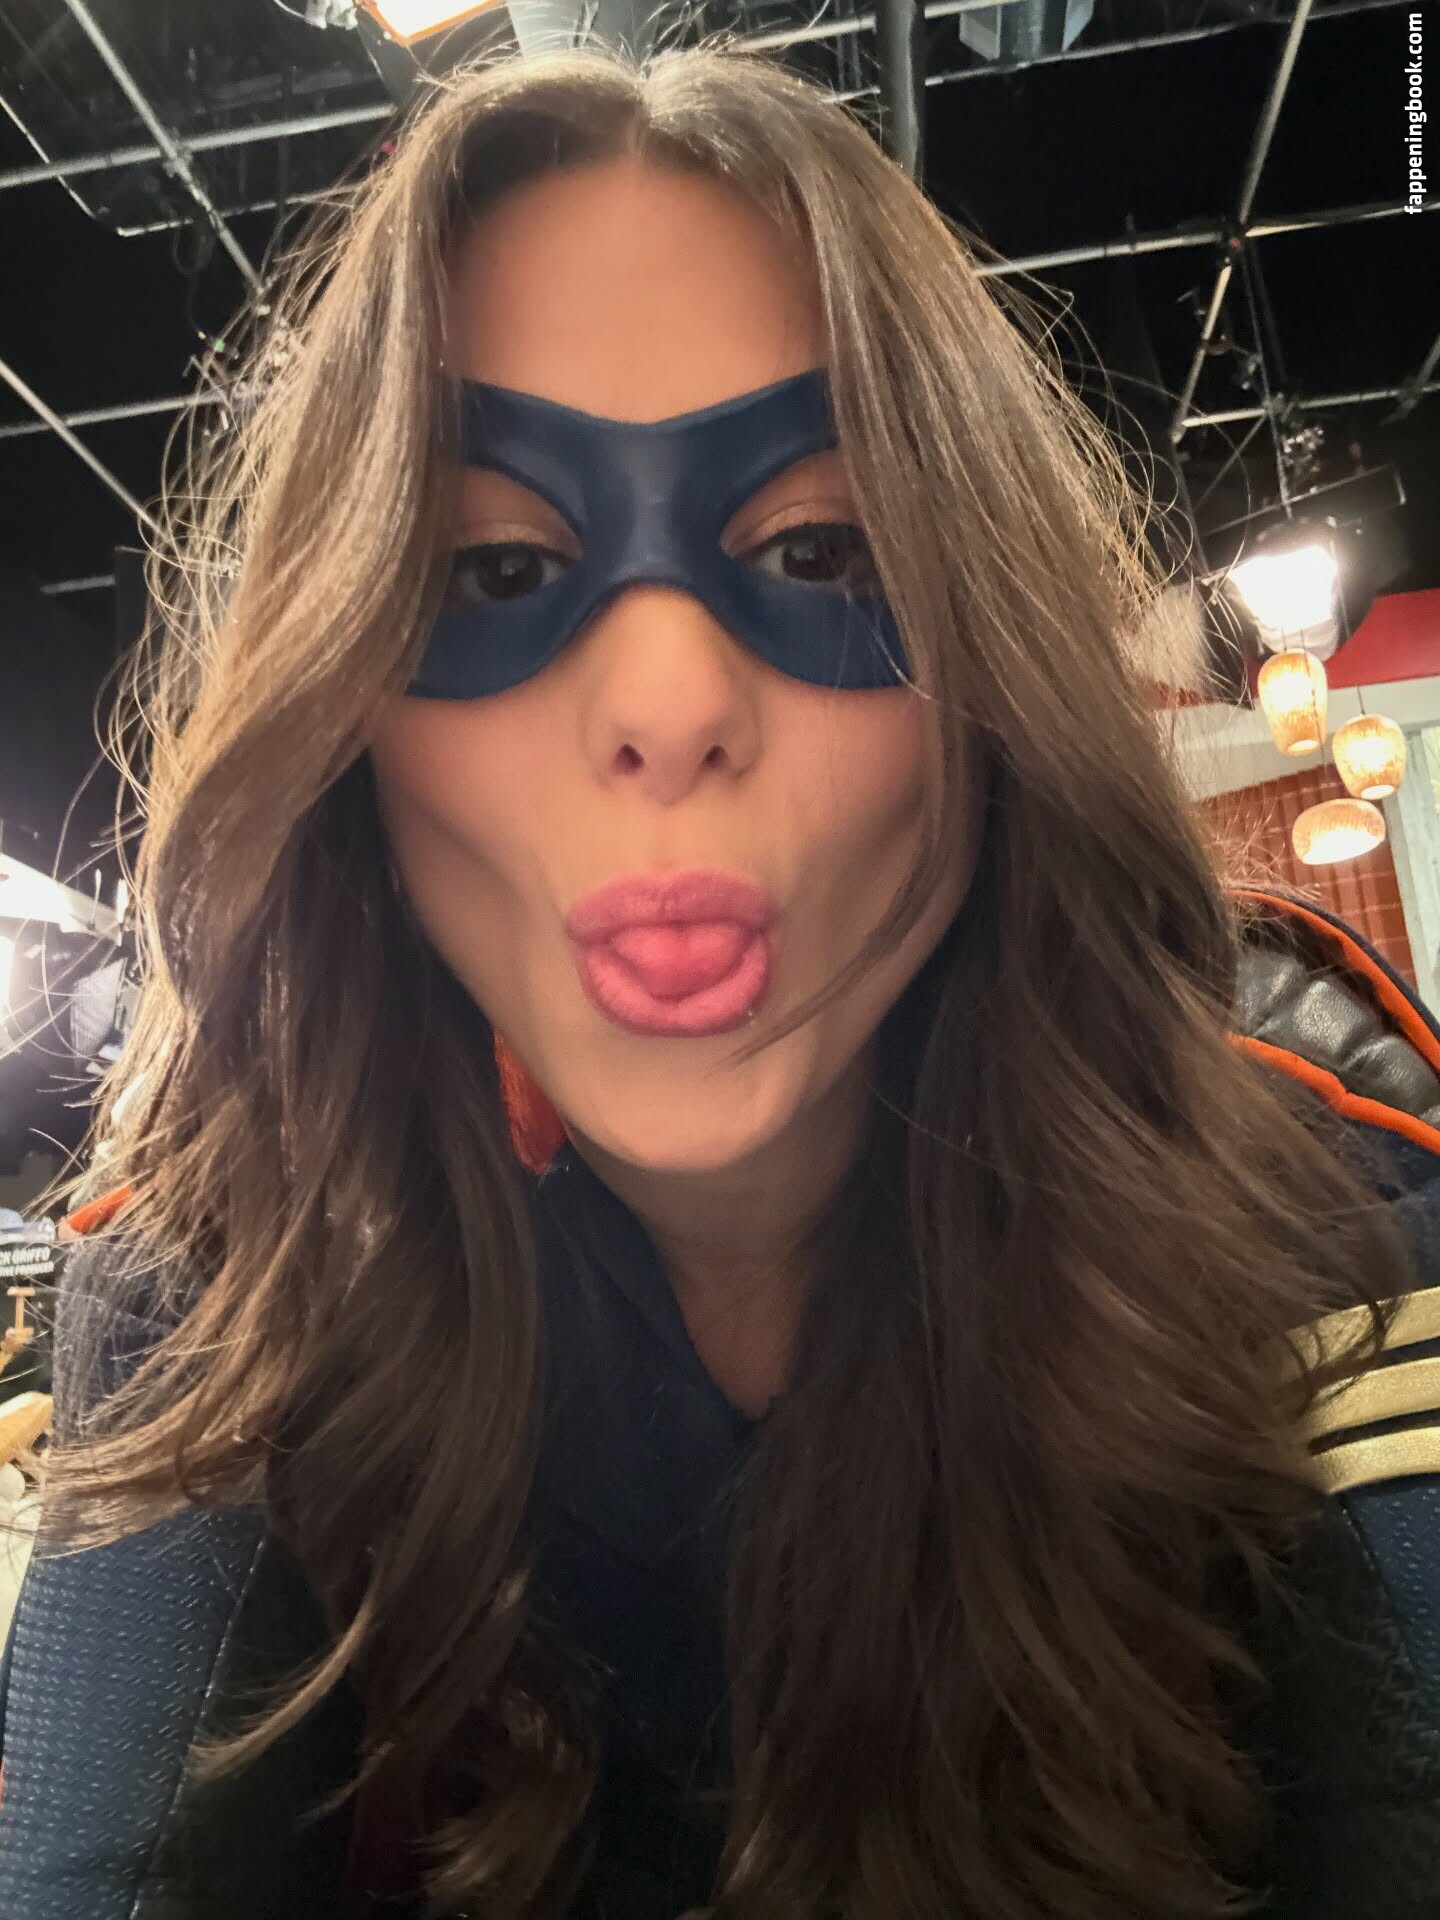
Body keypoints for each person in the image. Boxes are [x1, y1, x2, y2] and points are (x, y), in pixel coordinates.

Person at [2, 38, 1439, 1920]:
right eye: (495, 573)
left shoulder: (1319, 1203)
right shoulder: (219, 1278)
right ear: (346, 707)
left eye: (820, 549)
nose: (669, 701)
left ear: (992, 669)